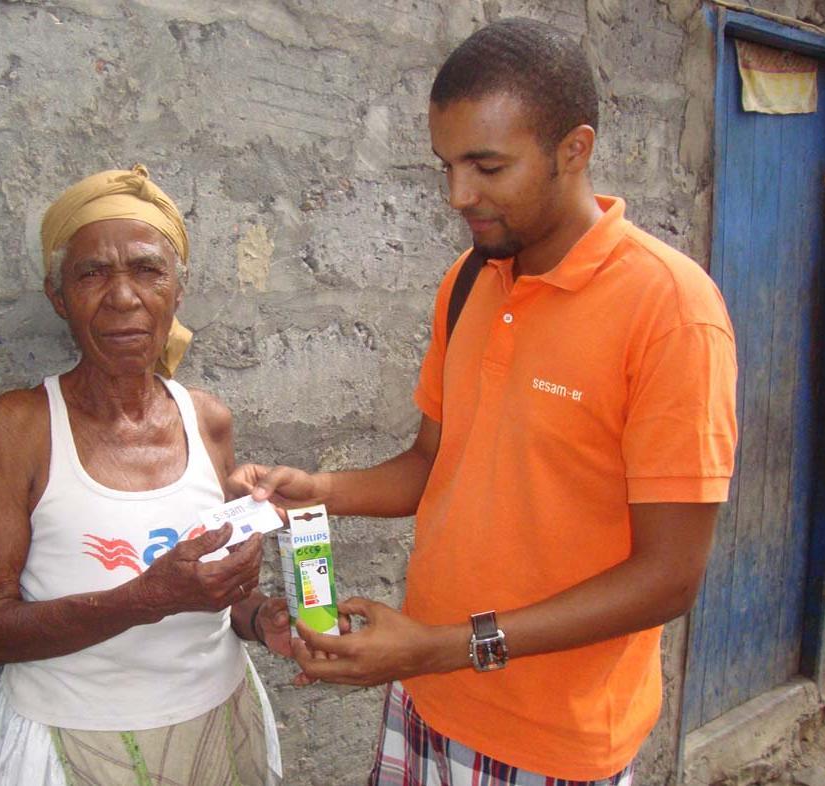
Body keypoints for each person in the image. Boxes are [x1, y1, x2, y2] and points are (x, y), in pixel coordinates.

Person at [228, 17, 738, 786]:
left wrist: (442, 645)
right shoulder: (470, 279)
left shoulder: (669, 312)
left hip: (553, 745)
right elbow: (436, 462)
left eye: (486, 166)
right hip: (426, 703)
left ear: (575, 149)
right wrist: (322, 491)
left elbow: (668, 577)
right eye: (445, 165)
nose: (456, 195)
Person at [0, 164, 292, 786]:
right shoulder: (21, 427)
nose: (123, 297)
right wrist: (147, 597)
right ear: (58, 296)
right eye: (92, 274)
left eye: (147, 269)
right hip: (73, 743)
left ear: (177, 289)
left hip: (218, 724)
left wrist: (258, 618)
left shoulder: (207, 420)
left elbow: (217, 594)